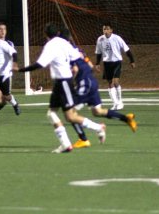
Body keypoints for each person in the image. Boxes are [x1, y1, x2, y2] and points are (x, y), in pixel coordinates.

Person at [17, 22, 106, 153]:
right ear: (58, 33)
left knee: (70, 116)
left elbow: (40, 64)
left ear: (45, 34)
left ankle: (98, 128)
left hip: (64, 82)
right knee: (51, 113)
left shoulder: (50, 45)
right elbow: (76, 57)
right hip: (61, 83)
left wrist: (20, 70)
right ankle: (65, 144)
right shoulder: (64, 43)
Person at [59, 28, 138, 146]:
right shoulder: (77, 50)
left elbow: (74, 69)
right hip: (91, 82)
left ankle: (84, 139)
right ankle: (126, 119)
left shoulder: (66, 51)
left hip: (84, 84)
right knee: (97, 111)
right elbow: (90, 65)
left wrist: (71, 79)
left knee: (70, 113)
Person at [95, 22, 135, 109]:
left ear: (111, 30)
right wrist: (97, 63)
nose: (105, 31)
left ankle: (120, 101)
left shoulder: (117, 38)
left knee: (115, 82)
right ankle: (115, 103)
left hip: (117, 62)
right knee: (110, 84)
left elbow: (126, 49)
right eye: (104, 29)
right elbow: (98, 52)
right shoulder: (100, 39)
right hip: (107, 63)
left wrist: (132, 60)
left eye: (107, 29)